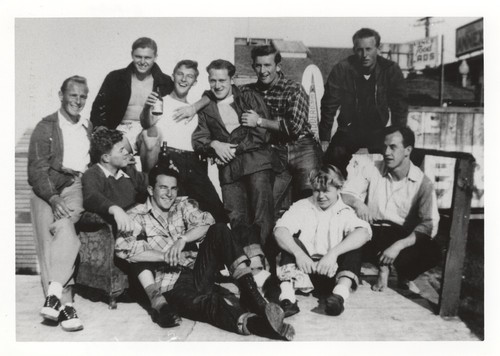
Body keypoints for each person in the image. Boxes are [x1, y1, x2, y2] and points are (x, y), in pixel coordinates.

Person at [114, 165, 295, 340]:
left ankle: (253, 297)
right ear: (150, 189)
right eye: (163, 188)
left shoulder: (182, 205)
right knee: (209, 304)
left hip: (196, 271)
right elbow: (124, 248)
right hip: (170, 285)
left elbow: (206, 222)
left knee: (220, 230)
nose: (169, 194)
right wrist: (164, 255)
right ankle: (258, 325)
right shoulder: (136, 215)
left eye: (173, 188)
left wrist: (182, 240)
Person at [192, 59, 275, 273]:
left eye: (222, 80)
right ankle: (253, 262)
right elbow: (199, 138)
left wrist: (233, 149)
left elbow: (262, 132)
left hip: (255, 162)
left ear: (232, 79)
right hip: (229, 170)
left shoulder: (247, 97)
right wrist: (214, 144)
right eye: (213, 80)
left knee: (260, 214)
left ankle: (265, 264)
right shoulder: (206, 106)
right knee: (236, 216)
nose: (217, 85)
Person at [341, 126, 441, 292]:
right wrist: (359, 204)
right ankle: (346, 285)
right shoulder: (373, 167)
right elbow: (346, 193)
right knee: (350, 238)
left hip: (399, 237)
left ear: (408, 150)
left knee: (433, 251)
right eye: (384, 146)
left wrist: (398, 246)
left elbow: (430, 224)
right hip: (372, 231)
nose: (386, 152)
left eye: (393, 147)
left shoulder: (423, 183)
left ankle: (404, 274)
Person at [28, 75, 92, 331]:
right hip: (47, 189)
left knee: (65, 228)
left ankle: (53, 294)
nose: (78, 101)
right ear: (61, 95)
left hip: (74, 186)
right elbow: (36, 170)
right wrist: (52, 197)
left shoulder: (87, 126)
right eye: (73, 95)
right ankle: (65, 306)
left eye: (83, 96)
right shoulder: (46, 127)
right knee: (51, 238)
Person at [273, 165, 371, 317]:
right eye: (316, 190)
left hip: (333, 273)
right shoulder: (303, 206)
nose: (320, 196)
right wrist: (299, 254)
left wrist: (333, 254)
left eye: (326, 191)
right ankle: (288, 299)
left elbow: (364, 233)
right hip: (305, 271)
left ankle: (339, 296)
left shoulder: (345, 210)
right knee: (290, 242)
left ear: (339, 189)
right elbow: (280, 230)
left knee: (354, 243)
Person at [138, 59, 227, 223]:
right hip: (168, 158)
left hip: (194, 163)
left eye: (189, 76)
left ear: (195, 81)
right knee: (173, 214)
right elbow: (147, 124)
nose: (184, 79)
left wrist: (195, 107)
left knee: (216, 212)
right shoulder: (161, 101)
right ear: (173, 76)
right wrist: (146, 108)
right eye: (180, 74)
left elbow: (212, 94)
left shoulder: (196, 108)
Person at [239, 45, 323, 214]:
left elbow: (294, 127)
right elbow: (221, 95)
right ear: (253, 66)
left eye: (268, 65)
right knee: (268, 201)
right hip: (273, 150)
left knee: (311, 196)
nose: (263, 71)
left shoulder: (294, 89)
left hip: (301, 148)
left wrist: (260, 121)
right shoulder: (247, 91)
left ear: (278, 66)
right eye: (258, 65)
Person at [90, 37, 205, 159]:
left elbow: (205, 95)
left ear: (155, 57)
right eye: (138, 56)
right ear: (132, 55)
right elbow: (98, 107)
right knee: (109, 156)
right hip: (122, 130)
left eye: (148, 58)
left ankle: (148, 178)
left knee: (151, 139)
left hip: (151, 130)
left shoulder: (164, 81)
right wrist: (101, 129)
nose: (142, 61)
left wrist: (194, 107)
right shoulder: (115, 77)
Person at [319, 28, 408, 177]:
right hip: (349, 129)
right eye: (360, 50)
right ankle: (337, 194)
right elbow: (329, 103)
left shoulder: (390, 69)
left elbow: (399, 105)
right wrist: (325, 137)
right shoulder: (342, 69)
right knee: (332, 158)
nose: (365, 55)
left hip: (378, 129)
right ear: (354, 50)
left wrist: (398, 135)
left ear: (378, 49)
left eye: (369, 49)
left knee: (397, 158)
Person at [82, 127, 148, 233]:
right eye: (121, 150)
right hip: (120, 230)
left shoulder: (127, 170)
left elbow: (148, 183)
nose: (127, 152)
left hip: (139, 222)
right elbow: (91, 196)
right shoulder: (92, 174)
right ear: (106, 158)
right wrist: (114, 209)